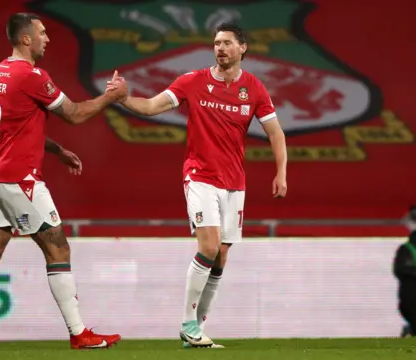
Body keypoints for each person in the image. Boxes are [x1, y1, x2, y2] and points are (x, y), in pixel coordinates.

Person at [0, 13, 127, 351]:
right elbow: (75, 114)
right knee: (57, 246)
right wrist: (112, 97)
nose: (48, 38)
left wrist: (57, 149)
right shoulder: (31, 75)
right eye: (43, 32)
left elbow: (17, 127)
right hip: (21, 179)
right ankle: (79, 334)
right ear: (26, 39)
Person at [107, 23, 288, 348]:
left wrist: (281, 173)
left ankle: (197, 329)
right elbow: (151, 106)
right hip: (200, 176)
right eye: (216, 43)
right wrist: (122, 98)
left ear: (242, 48)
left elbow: (276, 133)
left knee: (220, 256)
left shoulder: (254, 89)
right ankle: (188, 324)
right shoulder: (193, 81)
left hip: (235, 183)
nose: (220, 48)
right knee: (208, 246)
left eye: (227, 43)